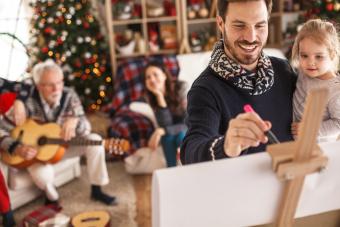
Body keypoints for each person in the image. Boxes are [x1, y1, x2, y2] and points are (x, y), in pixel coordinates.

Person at [180, 0, 297, 164]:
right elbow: (190, 152)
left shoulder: (283, 69)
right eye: (240, 25)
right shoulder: (205, 89)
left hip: (291, 184)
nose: (251, 37)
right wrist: (225, 146)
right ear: (221, 23)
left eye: (260, 26)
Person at [0, 59, 116, 206]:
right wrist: (16, 147)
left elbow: (86, 128)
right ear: (39, 86)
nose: (56, 89)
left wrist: (75, 122)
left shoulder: (69, 96)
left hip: (63, 148)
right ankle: (52, 198)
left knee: (95, 140)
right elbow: (1, 129)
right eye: (50, 85)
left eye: (60, 82)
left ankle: (97, 189)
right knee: (42, 176)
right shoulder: (27, 101)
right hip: (36, 154)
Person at [291, 19, 340, 142]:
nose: (310, 62)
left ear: (332, 54)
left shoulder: (335, 90)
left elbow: (338, 123)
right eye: (304, 55)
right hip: (295, 143)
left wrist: (309, 129)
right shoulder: (304, 72)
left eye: (319, 56)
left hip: (320, 148)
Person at [144, 61, 188, 167]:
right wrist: (159, 96)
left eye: (155, 74)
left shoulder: (182, 88)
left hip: (191, 127)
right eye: (148, 77)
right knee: (168, 137)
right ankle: (171, 171)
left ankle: (190, 167)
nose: (152, 79)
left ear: (164, 75)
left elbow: (188, 122)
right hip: (173, 132)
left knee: (180, 136)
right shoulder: (151, 97)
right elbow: (166, 124)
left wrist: (160, 131)